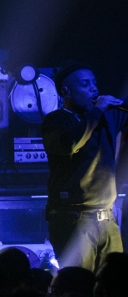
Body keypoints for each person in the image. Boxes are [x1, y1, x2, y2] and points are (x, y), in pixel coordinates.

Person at [42, 63, 128, 271]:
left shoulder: (107, 115)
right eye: (85, 84)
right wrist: (97, 110)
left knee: (113, 281)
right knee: (78, 281)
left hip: (107, 219)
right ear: (66, 92)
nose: (93, 88)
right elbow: (69, 144)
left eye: (94, 83)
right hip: (74, 221)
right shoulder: (57, 120)